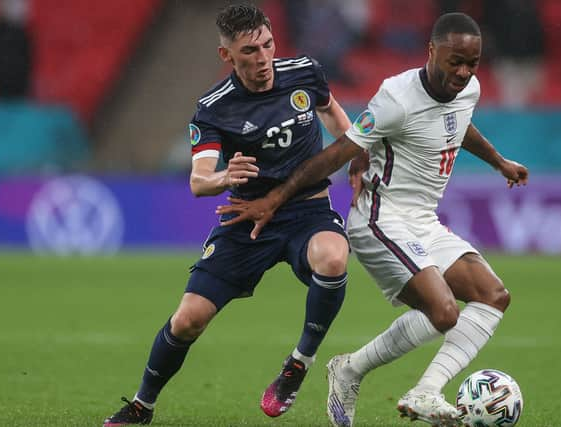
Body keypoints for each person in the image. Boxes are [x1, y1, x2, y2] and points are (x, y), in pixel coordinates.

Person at [216, 12, 529, 427]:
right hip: (380, 218)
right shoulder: (397, 98)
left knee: (494, 297)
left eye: (472, 63)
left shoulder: (467, 88)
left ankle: (408, 386)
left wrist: (499, 162)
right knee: (445, 312)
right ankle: (379, 380)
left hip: (424, 220)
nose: (463, 72)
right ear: (432, 51)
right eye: (455, 61)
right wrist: (274, 198)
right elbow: (338, 151)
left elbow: (459, 123)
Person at [103, 4, 352, 425]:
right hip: (245, 220)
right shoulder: (215, 108)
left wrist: (354, 150)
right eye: (250, 51)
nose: (263, 60)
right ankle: (142, 405)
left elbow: (332, 113)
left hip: (307, 210)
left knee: (333, 257)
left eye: (268, 45)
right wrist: (224, 177)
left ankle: (298, 364)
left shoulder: (305, 72)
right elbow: (199, 181)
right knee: (187, 321)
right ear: (228, 57)